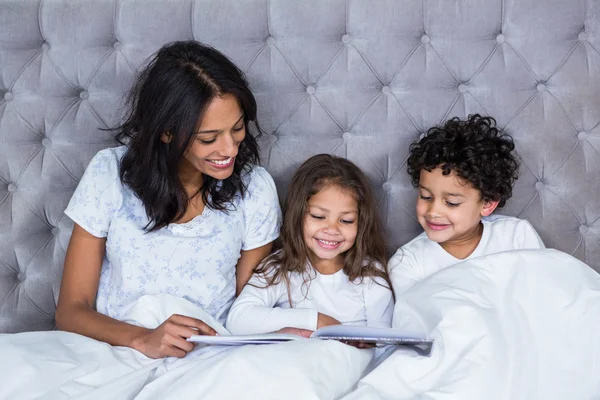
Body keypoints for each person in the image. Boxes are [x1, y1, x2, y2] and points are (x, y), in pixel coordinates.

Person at [55, 40, 281, 359]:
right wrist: (144, 339)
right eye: (209, 138)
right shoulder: (108, 174)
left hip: (211, 358)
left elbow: (249, 313)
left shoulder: (254, 189)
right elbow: (70, 311)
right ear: (166, 132)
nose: (230, 149)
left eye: (238, 128)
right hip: (117, 351)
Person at [226, 154, 395, 339]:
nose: (332, 229)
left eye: (346, 220)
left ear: (360, 223)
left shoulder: (370, 274)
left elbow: (384, 342)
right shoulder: (279, 268)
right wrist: (315, 320)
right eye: (318, 216)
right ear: (298, 215)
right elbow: (238, 320)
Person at [390, 114, 545, 296]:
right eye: (426, 197)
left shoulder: (516, 237)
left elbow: (542, 295)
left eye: (451, 202)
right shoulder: (407, 263)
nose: (434, 212)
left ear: (487, 204)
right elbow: (413, 319)